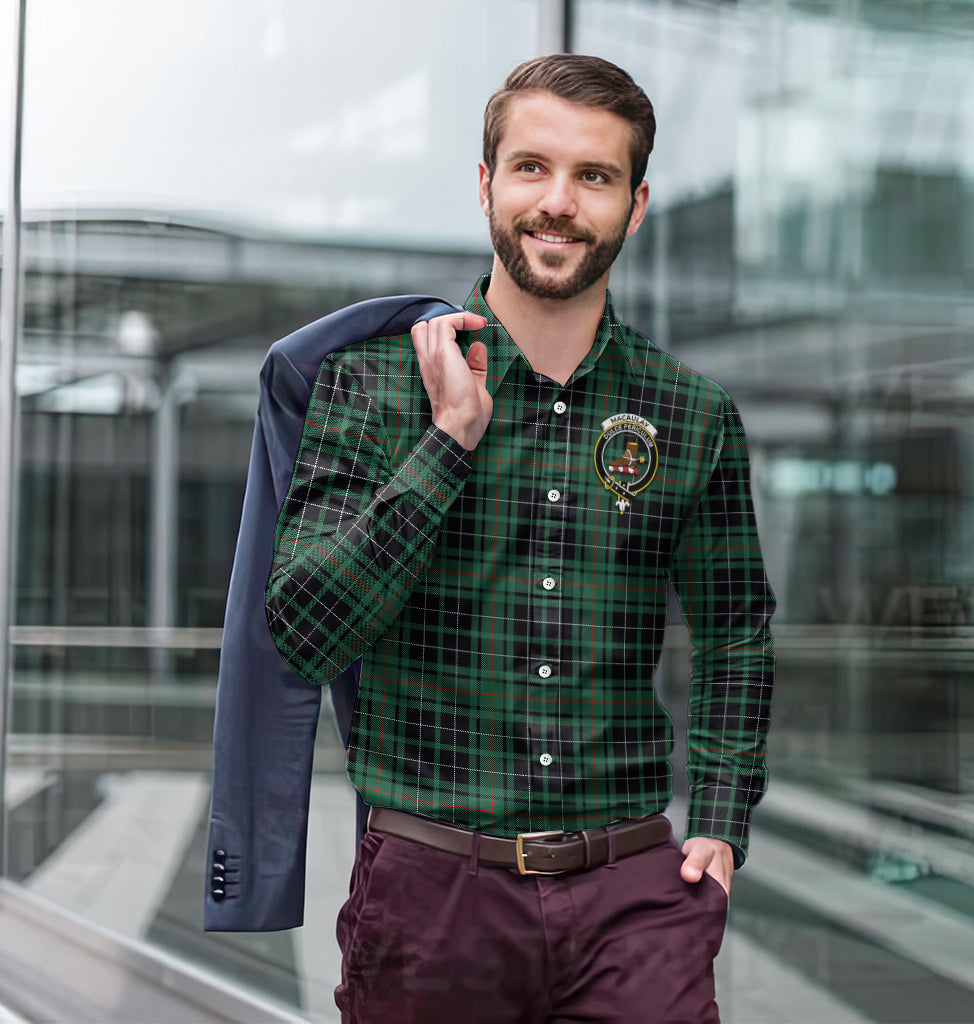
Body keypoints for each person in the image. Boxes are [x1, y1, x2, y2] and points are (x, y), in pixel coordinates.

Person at [265, 53, 776, 1024]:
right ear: (486, 183)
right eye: (532, 167)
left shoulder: (692, 413)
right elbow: (303, 631)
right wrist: (448, 440)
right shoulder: (372, 388)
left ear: (635, 204)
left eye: (594, 176)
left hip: (634, 896)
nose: (559, 202)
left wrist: (718, 818)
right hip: (432, 896)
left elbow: (735, 628)